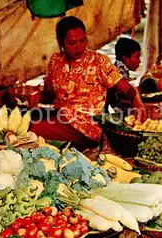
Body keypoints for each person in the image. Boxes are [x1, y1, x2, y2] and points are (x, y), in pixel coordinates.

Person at [32, 16, 146, 150]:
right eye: (72, 43)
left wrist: (137, 101)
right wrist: (33, 100)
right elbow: (49, 95)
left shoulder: (99, 62)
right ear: (60, 42)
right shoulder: (55, 61)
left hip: (88, 127)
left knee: (33, 130)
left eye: (82, 40)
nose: (79, 47)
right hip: (60, 118)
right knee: (25, 122)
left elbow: (128, 90)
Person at [105, 38, 142, 109]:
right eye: (137, 57)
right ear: (125, 58)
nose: (139, 61)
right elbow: (122, 95)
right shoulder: (120, 73)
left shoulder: (116, 67)